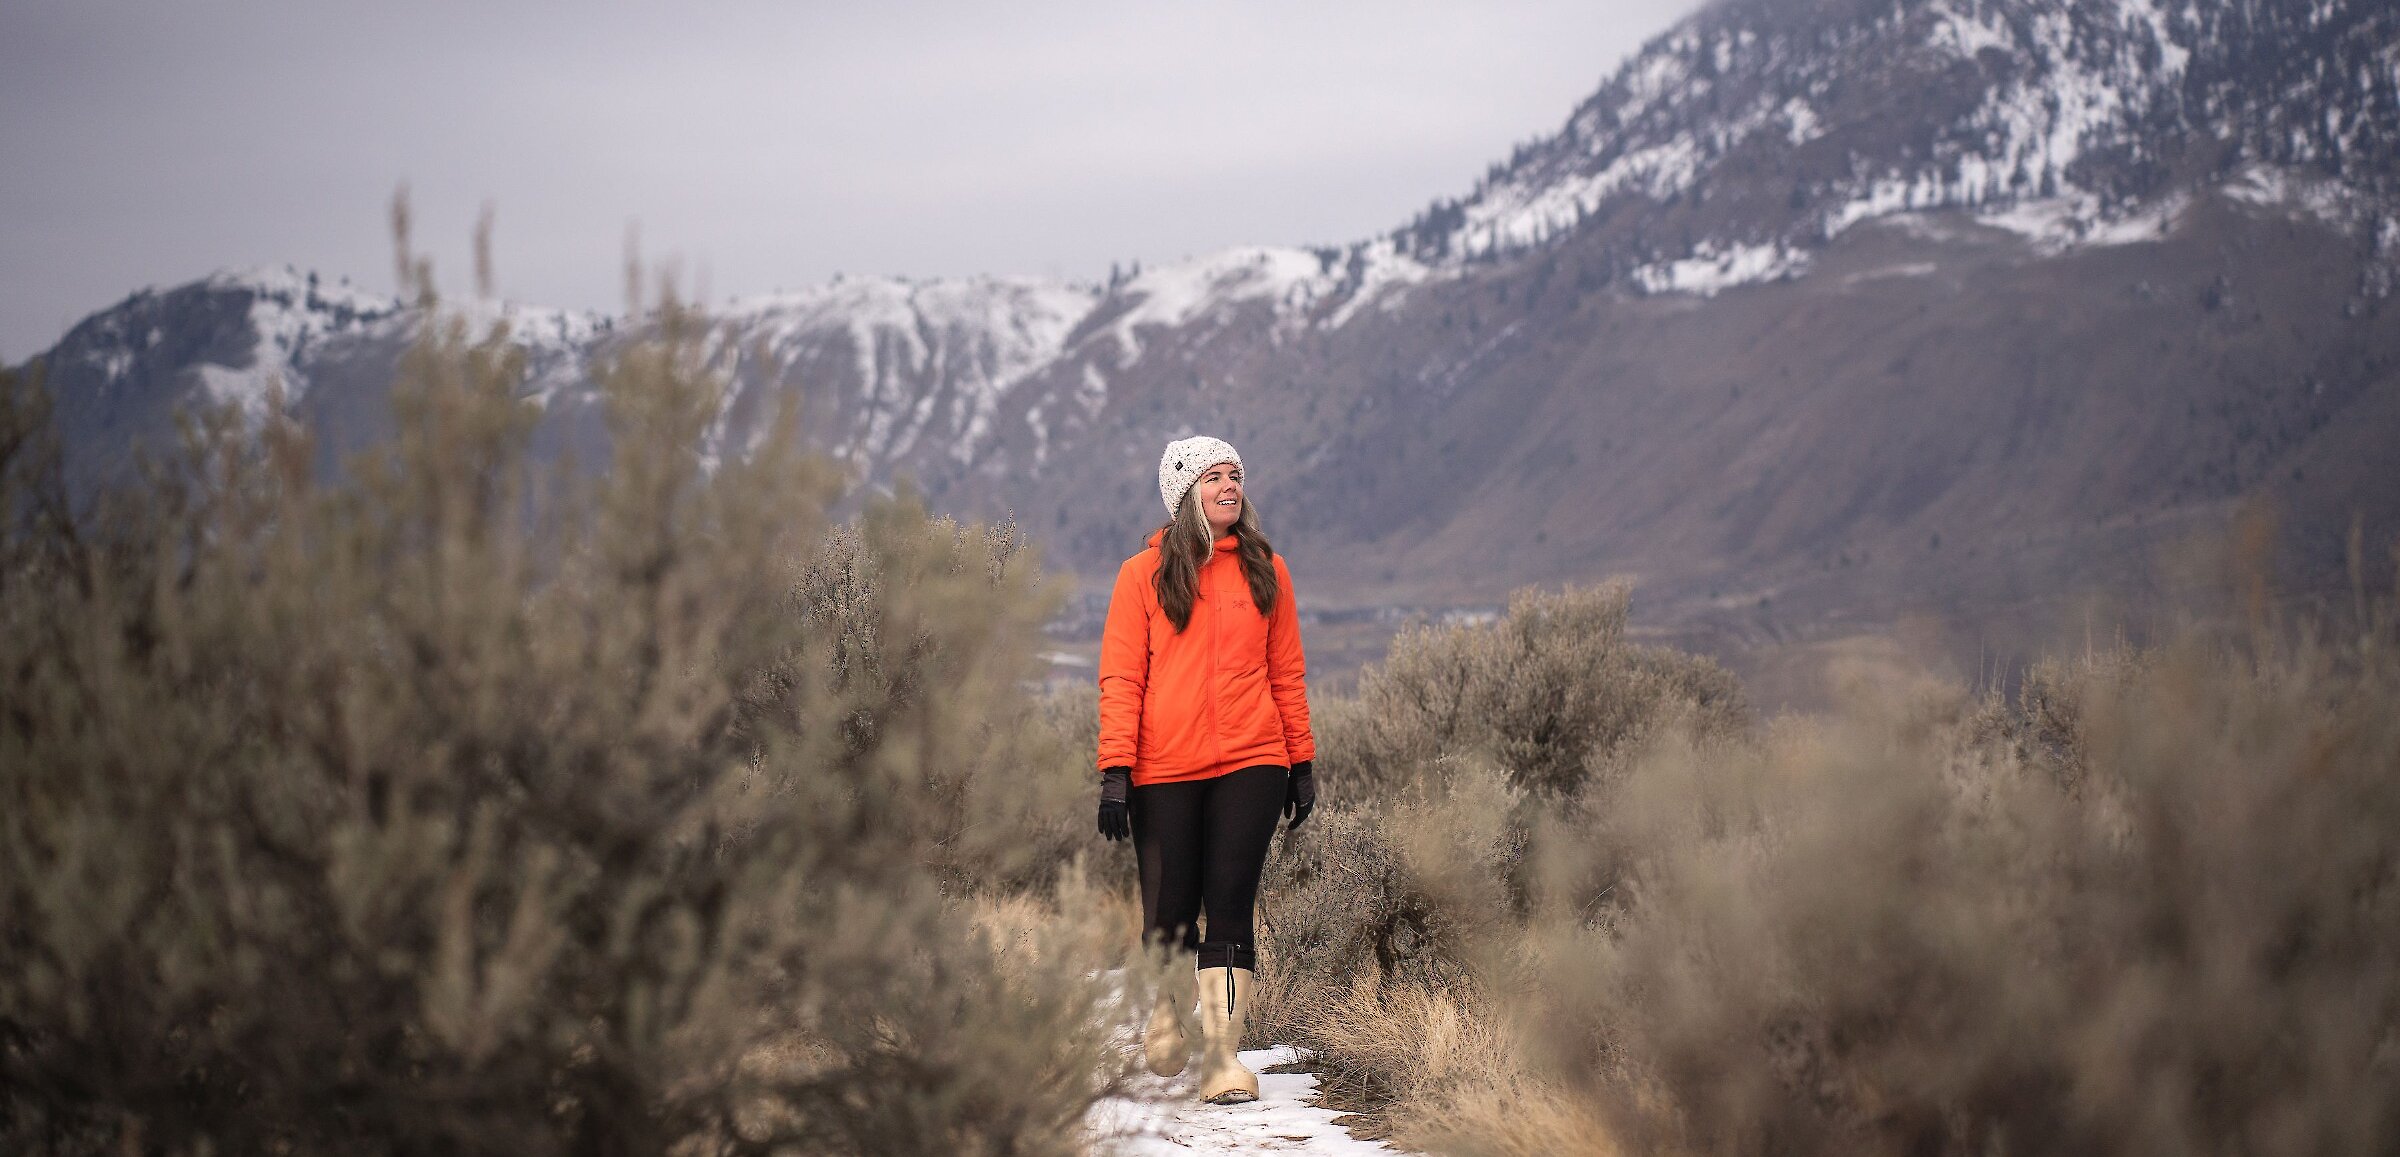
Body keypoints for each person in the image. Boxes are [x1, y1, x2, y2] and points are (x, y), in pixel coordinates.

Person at [1095, 435, 1317, 1106]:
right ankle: (1166, 1012)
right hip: (1165, 765)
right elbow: (1121, 676)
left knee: (1230, 906)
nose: (1230, 485)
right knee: (1168, 909)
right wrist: (1115, 770)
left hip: (1253, 760)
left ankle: (1222, 1057)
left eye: (1236, 474)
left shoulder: (1267, 570)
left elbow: (1288, 672)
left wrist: (1300, 760)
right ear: (1186, 492)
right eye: (1215, 476)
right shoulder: (1143, 574)